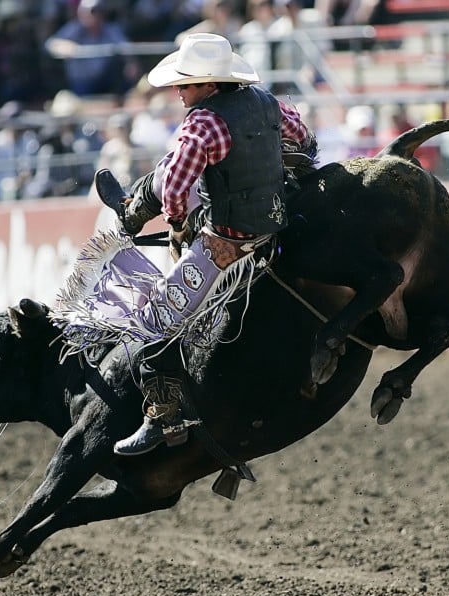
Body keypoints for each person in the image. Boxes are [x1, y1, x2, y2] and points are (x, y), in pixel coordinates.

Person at [93, 33, 314, 455]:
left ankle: (165, 417)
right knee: (166, 177)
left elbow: (176, 188)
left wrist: (178, 222)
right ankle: (130, 207)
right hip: (273, 223)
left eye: (186, 82)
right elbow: (301, 137)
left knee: (153, 322)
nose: (178, 90)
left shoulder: (201, 123)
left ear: (210, 84)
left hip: (226, 243)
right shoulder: (266, 101)